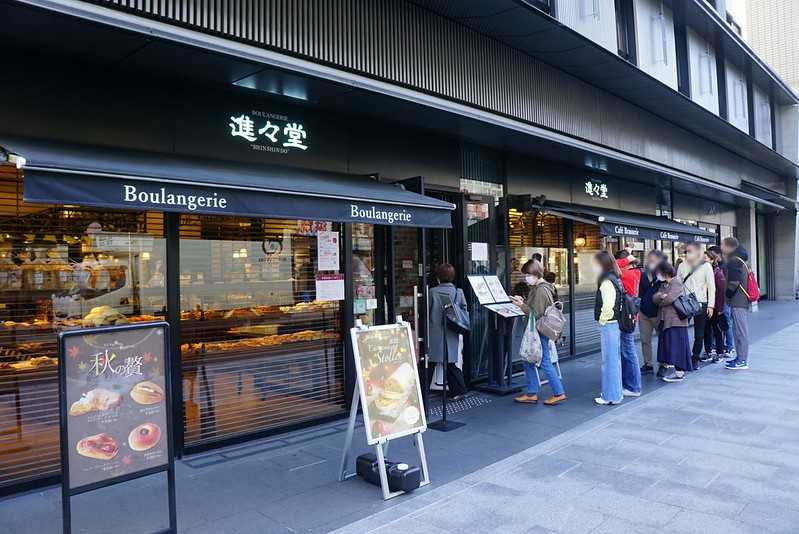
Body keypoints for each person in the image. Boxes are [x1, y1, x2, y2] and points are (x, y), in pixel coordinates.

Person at [510, 259, 567, 405]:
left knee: (544, 361)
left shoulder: (541, 289)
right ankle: (531, 392)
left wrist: (521, 305)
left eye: (527, 275)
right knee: (528, 360)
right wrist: (523, 302)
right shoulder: (541, 287)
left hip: (537, 330)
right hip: (537, 329)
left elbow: (535, 313)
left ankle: (558, 392)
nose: (526, 278)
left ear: (535, 273)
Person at [428, 263, 468, 398]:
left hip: (434, 333)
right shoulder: (458, 292)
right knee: (450, 362)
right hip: (452, 331)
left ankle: (421, 392)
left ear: (438, 277)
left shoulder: (432, 292)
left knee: (429, 363)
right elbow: (464, 311)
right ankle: (459, 391)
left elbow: (426, 312)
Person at [677, 242, 716, 369]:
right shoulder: (682, 266)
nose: (688, 254)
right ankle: (682, 356)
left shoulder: (706, 266)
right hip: (685, 303)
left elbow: (711, 287)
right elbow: (678, 285)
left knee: (699, 333)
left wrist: (711, 305)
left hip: (701, 303)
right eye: (687, 251)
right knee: (680, 331)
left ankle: (695, 358)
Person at [592, 251, 624, 405]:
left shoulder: (606, 281)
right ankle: (616, 394)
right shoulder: (615, 277)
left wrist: (602, 321)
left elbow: (608, 306)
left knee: (609, 361)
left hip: (609, 324)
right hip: (614, 323)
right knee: (614, 360)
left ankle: (610, 396)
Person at [653, 262, 693, 382]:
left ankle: (680, 372)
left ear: (666, 273)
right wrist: (661, 297)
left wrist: (663, 297)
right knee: (671, 346)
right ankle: (678, 371)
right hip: (666, 321)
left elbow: (670, 298)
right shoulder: (665, 284)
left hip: (677, 320)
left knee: (678, 347)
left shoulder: (676, 282)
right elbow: (655, 298)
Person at [613, 250, 641, 398]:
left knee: (628, 351)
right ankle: (629, 384)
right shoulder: (636, 273)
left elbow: (612, 266)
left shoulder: (628, 274)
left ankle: (633, 386)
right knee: (627, 350)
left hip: (626, 318)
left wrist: (627, 258)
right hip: (630, 317)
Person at [722, 237, 751, 370]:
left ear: (729, 247)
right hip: (740, 301)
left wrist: (727, 295)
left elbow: (734, 282)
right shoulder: (740, 259)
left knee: (740, 331)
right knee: (738, 330)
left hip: (738, 301)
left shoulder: (734, 261)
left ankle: (742, 360)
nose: (722, 247)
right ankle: (739, 358)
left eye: (723, 245)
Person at [638, 250, 668, 377]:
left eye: (653, 259)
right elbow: (640, 292)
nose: (650, 260)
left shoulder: (664, 274)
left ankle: (664, 364)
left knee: (663, 339)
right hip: (644, 312)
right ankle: (648, 364)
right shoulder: (644, 274)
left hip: (658, 312)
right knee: (645, 340)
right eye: (649, 258)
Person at [709, 244, 736, 358]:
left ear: (718, 255)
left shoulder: (724, 266)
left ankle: (729, 347)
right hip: (716, 298)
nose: (711, 257)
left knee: (726, 323)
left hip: (724, 299)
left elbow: (726, 284)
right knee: (718, 323)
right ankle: (719, 346)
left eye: (712, 255)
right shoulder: (714, 266)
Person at [704, 249, 727, 362]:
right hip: (706, 305)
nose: (704, 261)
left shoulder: (717, 273)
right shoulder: (705, 271)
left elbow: (721, 291)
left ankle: (719, 352)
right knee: (707, 330)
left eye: (706, 259)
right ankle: (709, 351)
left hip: (716, 307)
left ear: (712, 260)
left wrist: (720, 308)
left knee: (717, 330)